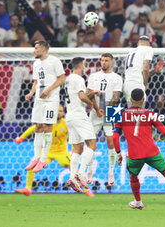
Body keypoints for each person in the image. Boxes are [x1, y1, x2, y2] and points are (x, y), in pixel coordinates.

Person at [113, 88, 165, 210]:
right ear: (143, 99)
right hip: (152, 152)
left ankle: (138, 202)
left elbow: (115, 136)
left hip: (134, 154)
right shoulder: (150, 114)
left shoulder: (122, 115)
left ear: (130, 100)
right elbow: (162, 129)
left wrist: (119, 153)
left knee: (133, 175)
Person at [14, 104, 94, 196]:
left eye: (60, 111)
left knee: (74, 169)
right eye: (57, 110)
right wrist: (21, 138)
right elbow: (34, 128)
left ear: (63, 113)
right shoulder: (48, 122)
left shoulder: (66, 123)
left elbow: (73, 136)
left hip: (62, 152)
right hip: (47, 151)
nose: (58, 113)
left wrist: (74, 150)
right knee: (32, 164)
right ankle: (28, 189)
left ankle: (86, 190)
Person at [24, 40, 65, 173]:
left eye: (36, 48)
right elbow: (36, 81)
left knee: (47, 127)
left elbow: (61, 78)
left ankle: (43, 159)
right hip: (38, 99)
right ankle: (35, 158)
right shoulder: (36, 63)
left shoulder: (54, 61)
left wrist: (49, 89)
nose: (34, 50)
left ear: (43, 49)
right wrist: (31, 92)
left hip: (51, 100)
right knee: (38, 126)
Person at [86, 53, 123, 187]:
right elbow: (87, 94)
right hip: (96, 111)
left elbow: (116, 96)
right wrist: (97, 107)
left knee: (111, 141)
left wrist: (105, 108)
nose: (104, 62)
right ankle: (89, 171)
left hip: (112, 110)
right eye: (102, 60)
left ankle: (111, 172)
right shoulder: (93, 76)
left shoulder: (117, 78)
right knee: (91, 141)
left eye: (106, 60)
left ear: (111, 62)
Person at [65, 57, 97, 191]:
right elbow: (81, 97)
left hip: (70, 116)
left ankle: (72, 176)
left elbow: (78, 96)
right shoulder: (78, 79)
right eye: (84, 65)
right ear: (81, 65)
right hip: (79, 115)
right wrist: (93, 105)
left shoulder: (68, 79)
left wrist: (92, 93)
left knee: (78, 149)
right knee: (92, 144)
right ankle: (81, 174)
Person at [123, 35, 164, 106]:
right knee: (140, 113)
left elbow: (140, 72)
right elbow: (145, 68)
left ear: (138, 44)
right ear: (149, 44)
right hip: (137, 84)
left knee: (131, 111)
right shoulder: (148, 49)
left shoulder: (131, 52)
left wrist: (154, 71)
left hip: (126, 84)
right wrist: (145, 84)